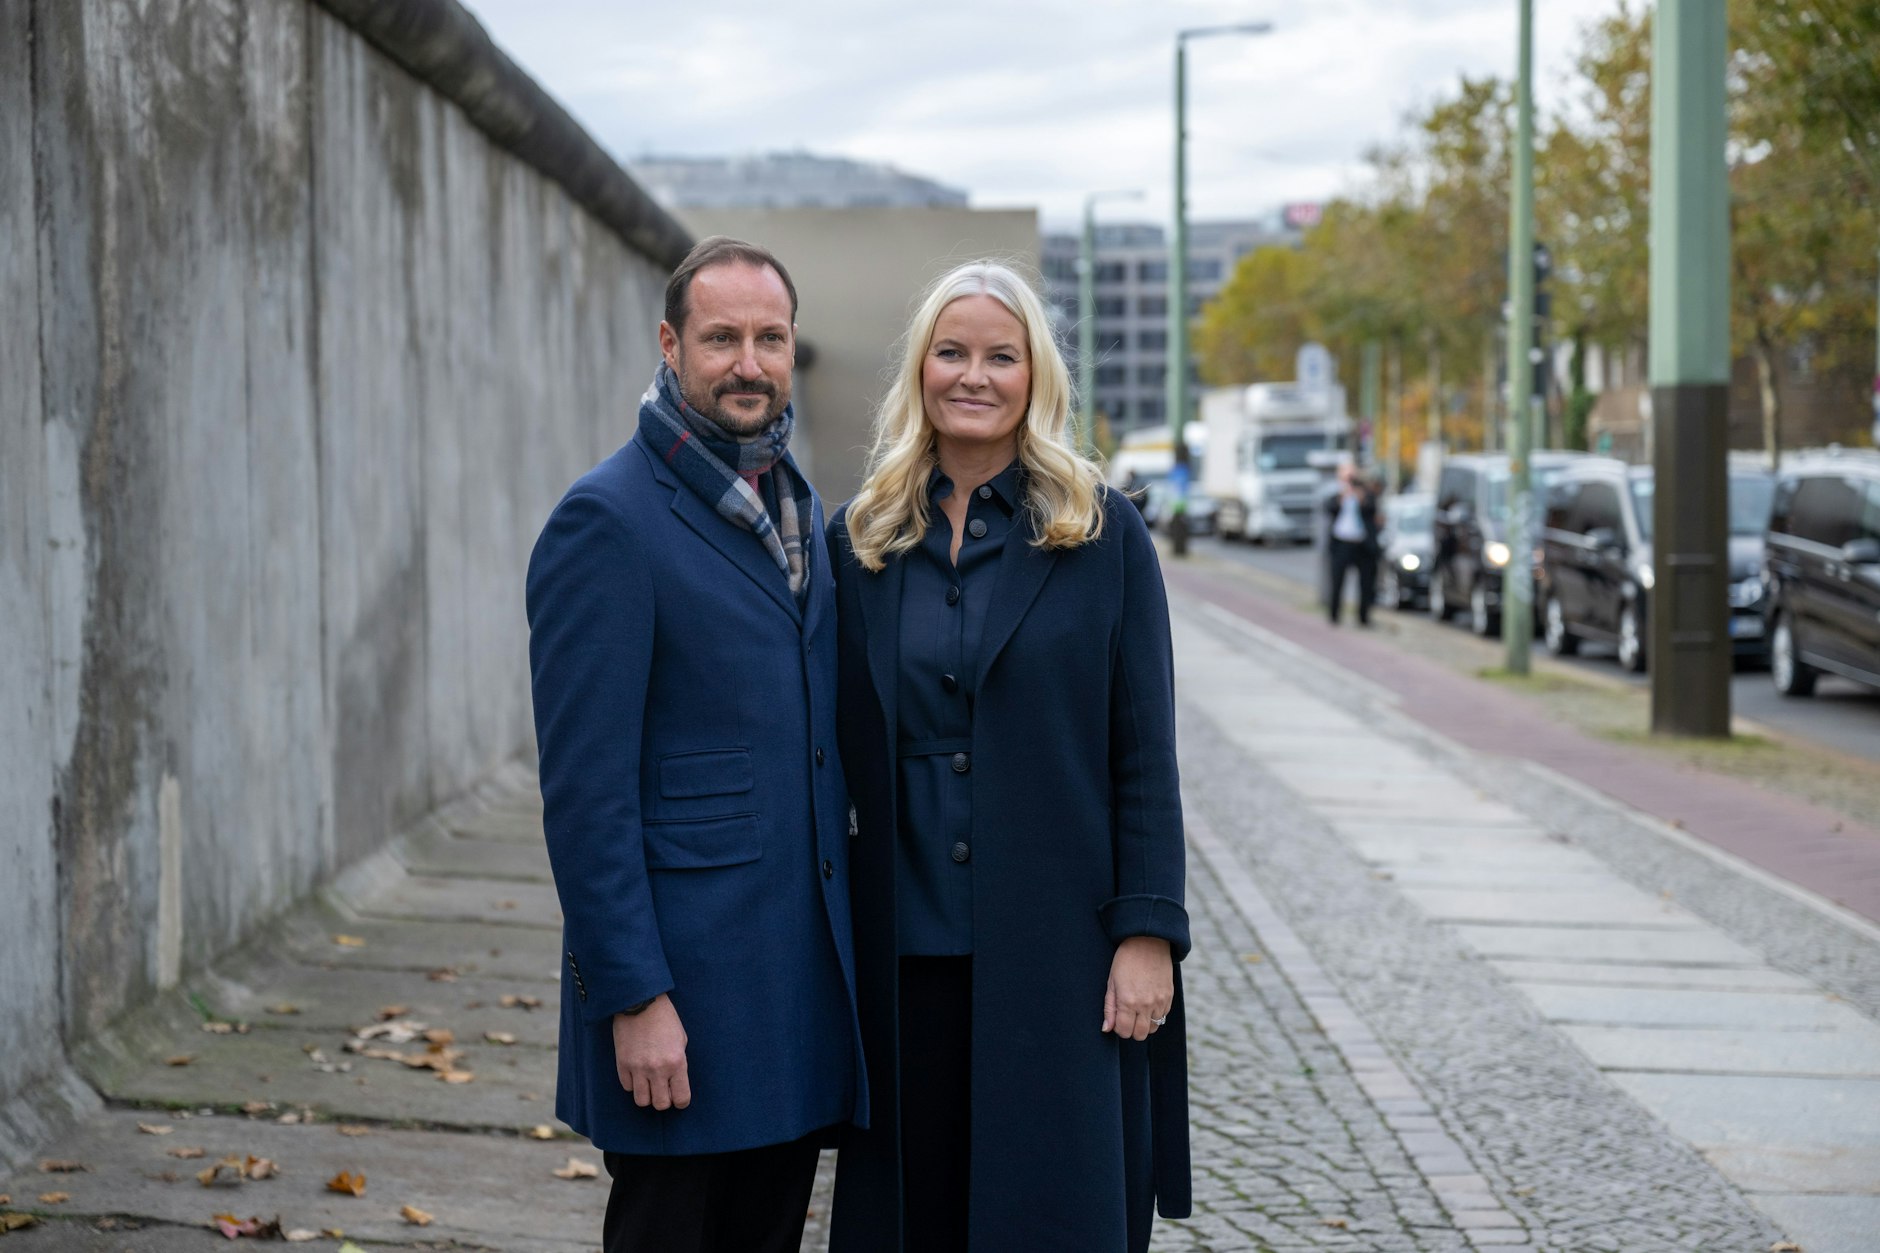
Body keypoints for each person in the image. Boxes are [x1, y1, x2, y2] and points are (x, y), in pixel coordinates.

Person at [826, 261, 1191, 1252]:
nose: (974, 376)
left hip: (1060, 948)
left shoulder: (1102, 532)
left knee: (1051, 1210)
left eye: (1001, 356)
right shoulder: (861, 539)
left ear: (1036, 377)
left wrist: (1147, 931)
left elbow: (1143, 753)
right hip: (901, 952)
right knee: (913, 1219)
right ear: (920, 369)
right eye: (952, 353)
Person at [525, 236, 865, 1253]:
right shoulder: (606, 520)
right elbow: (585, 795)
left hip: (790, 993)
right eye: (722, 338)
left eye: (770, 338)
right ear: (671, 346)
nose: (748, 363)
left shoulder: (798, 503)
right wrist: (633, 995)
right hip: (681, 999)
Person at [1325, 460, 1382, 626]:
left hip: (1362, 543)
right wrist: (1343, 496)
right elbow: (1329, 508)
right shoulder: (1337, 492)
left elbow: (1372, 509)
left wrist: (1361, 496)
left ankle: (1363, 617)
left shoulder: (1365, 493)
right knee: (1337, 581)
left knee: (1366, 583)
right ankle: (1334, 615)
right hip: (1341, 542)